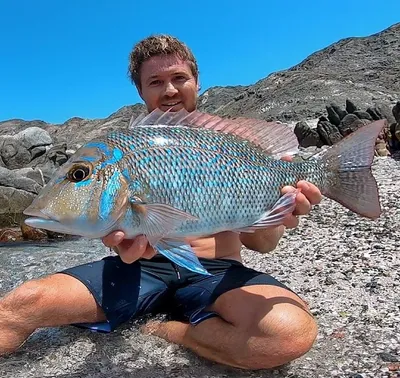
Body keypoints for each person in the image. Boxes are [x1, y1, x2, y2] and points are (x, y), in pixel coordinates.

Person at [0, 35, 322, 370]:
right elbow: (122, 236)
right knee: (19, 305)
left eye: (179, 78)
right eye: (156, 81)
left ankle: (171, 330)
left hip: (216, 273)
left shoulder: (230, 142)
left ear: (196, 82)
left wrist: (280, 213)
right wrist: (122, 245)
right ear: (141, 91)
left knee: (288, 334)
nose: (169, 90)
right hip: (141, 272)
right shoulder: (129, 147)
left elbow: (263, 245)